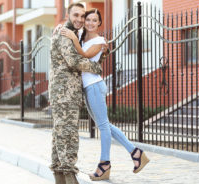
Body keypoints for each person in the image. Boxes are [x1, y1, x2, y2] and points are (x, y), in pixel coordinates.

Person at [60, 8, 150, 181]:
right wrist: (64, 30)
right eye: (88, 20)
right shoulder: (81, 37)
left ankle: (104, 165)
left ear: (99, 23)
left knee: (103, 126)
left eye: (95, 20)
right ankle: (136, 153)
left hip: (94, 86)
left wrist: (72, 38)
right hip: (88, 88)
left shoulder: (100, 41)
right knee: (105, 125)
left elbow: (85, 55)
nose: (90, 23)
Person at [49, 3, 107, 184]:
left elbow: (87, 50)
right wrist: (97, 67)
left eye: (83, 16)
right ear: (68, 15)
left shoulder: (73, 34)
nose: (80, 20)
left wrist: (103, 53)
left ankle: (59, 176)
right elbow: (74, 61)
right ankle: (69, 177)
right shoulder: (65, 34)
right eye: (76, 15)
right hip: (64, 94)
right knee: (68, 135)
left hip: (66, 94)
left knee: (59, 134)